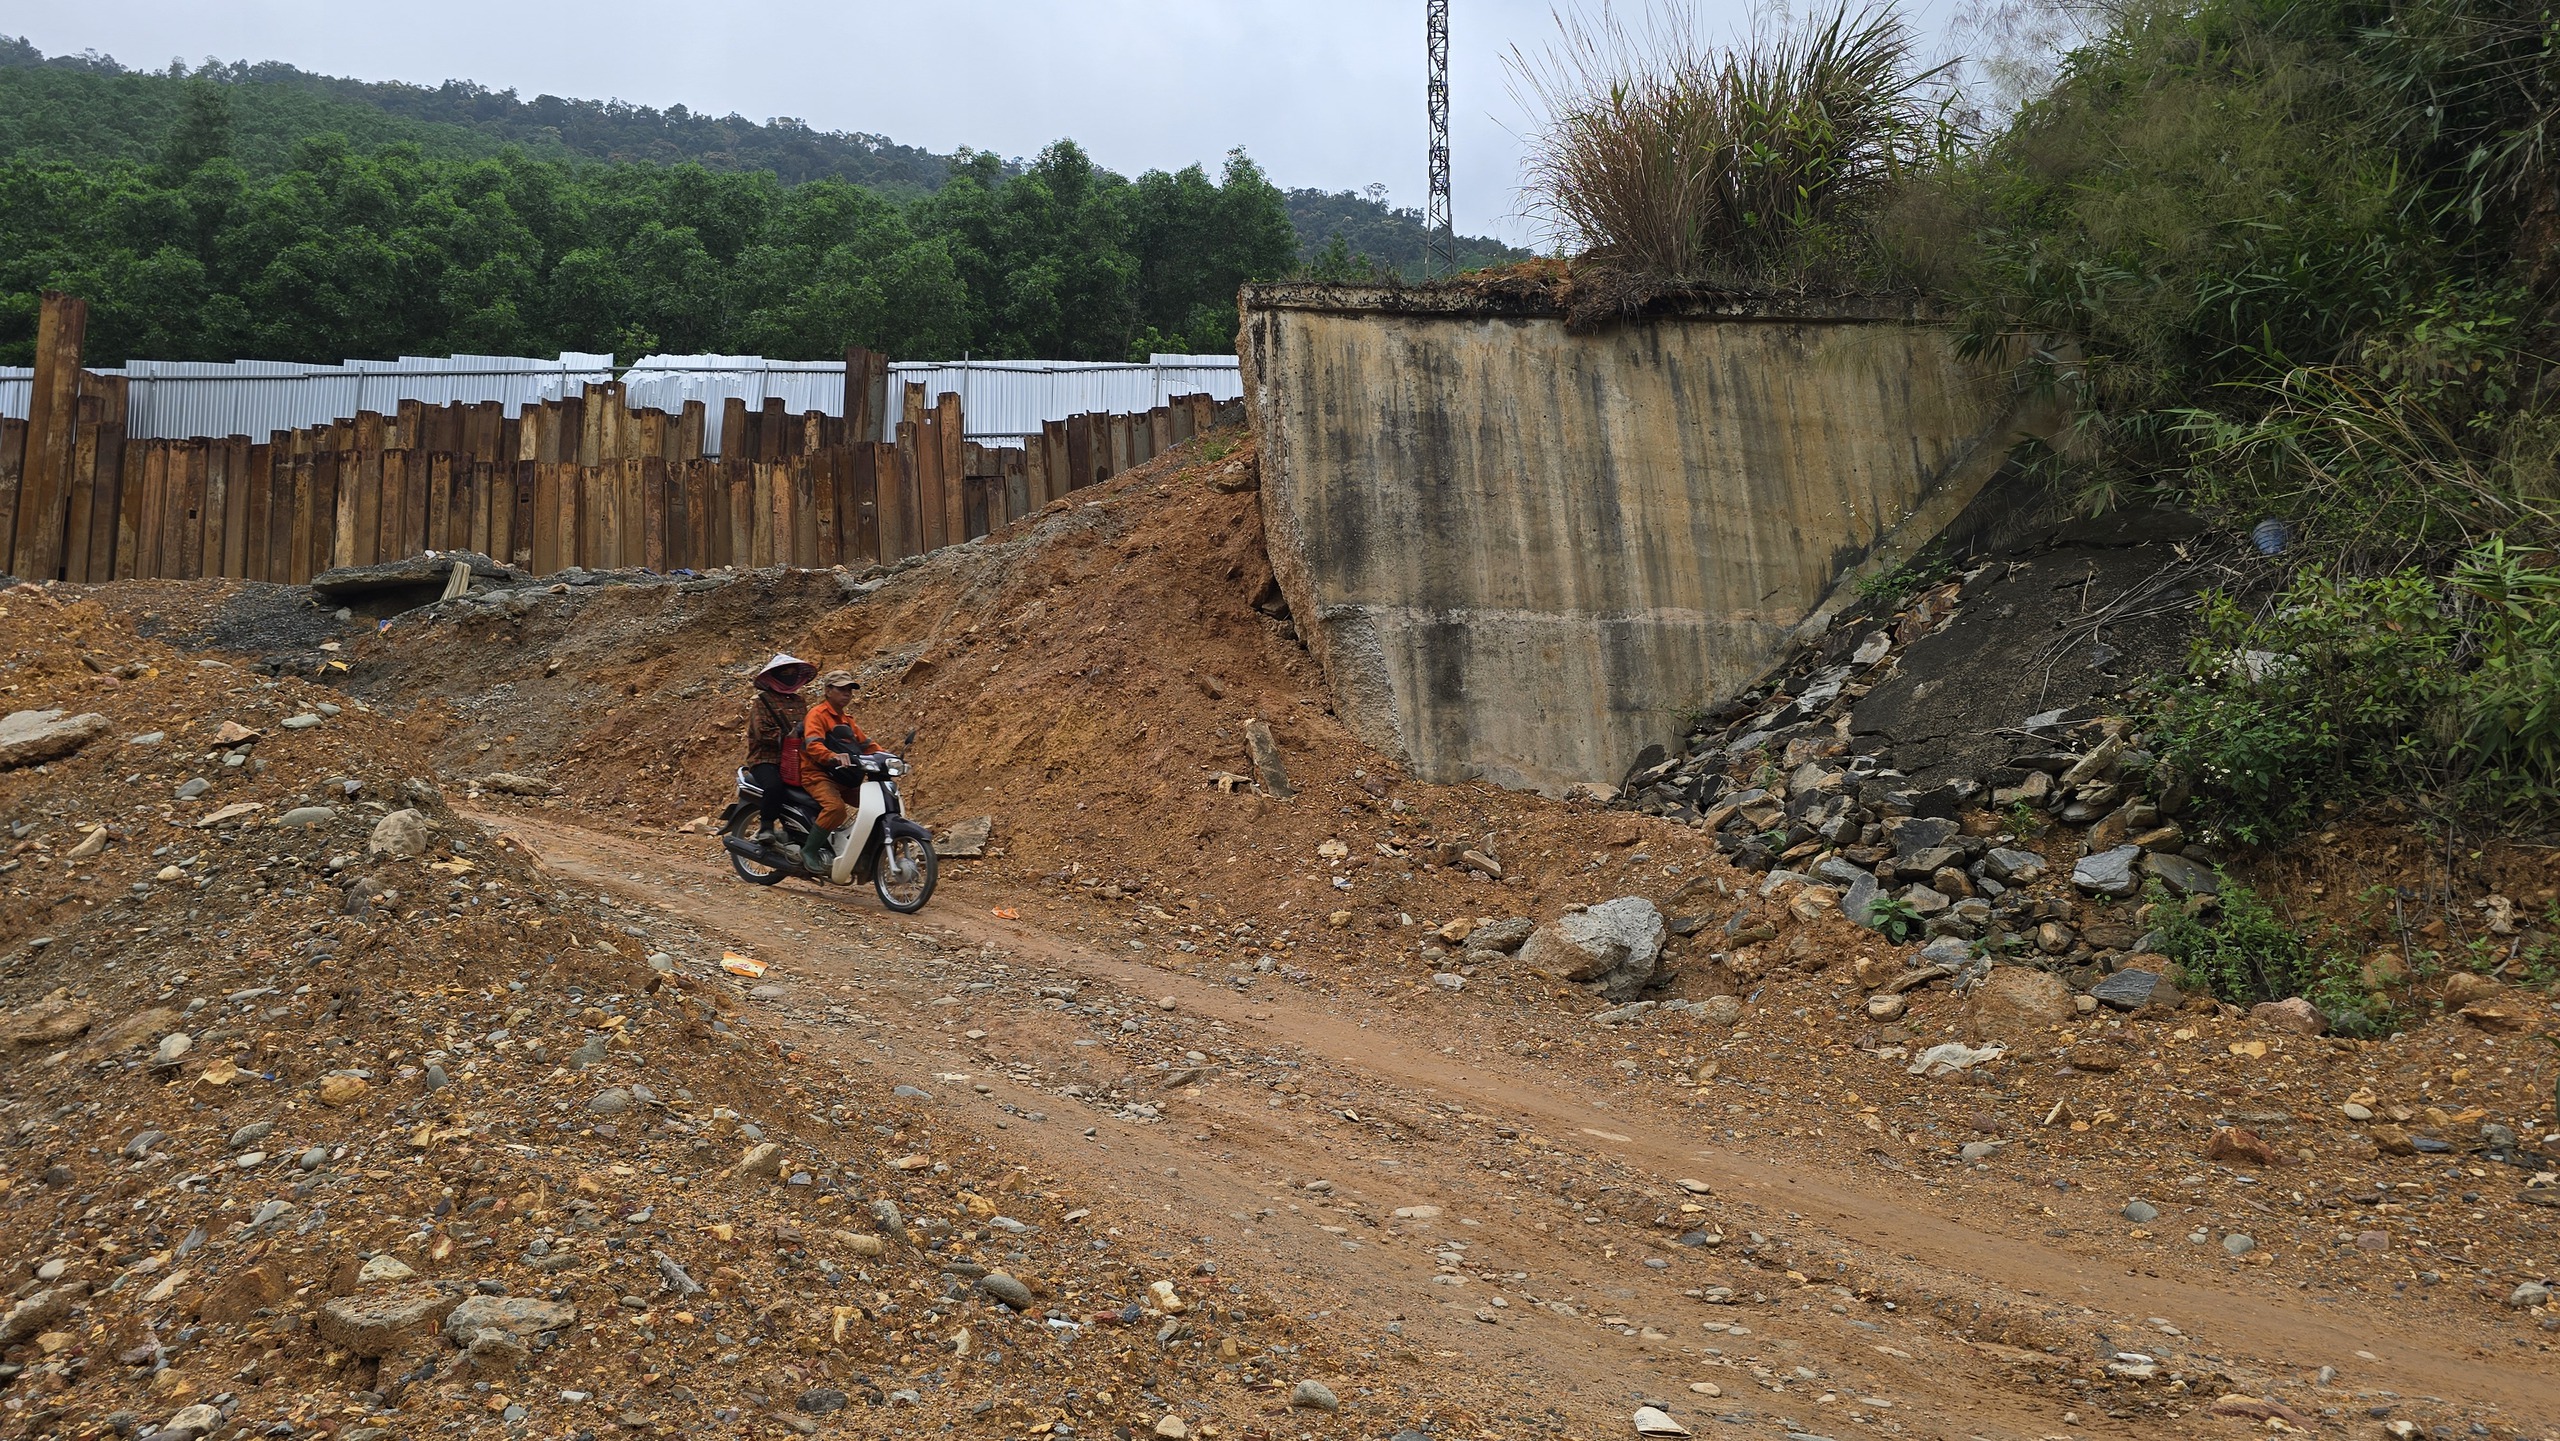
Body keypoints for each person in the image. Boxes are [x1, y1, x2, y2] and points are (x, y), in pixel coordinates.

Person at [799, 669, 879, 871]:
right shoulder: (817, 715)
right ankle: (809, 851)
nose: (847, 694)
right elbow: (813, 745)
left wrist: (888, 758)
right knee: (836, 809)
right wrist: (832, 756)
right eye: (842, 689)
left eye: (850, 690)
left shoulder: (846, 720)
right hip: (818, 774)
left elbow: (867, 745)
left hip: (844, 778)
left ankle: (860, 851)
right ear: (828, 690)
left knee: (876, 805)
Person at [742, 653, 816, 845]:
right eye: (785, 672)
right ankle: (766, 827)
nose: (790, 675)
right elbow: (761, 732)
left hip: (795, 759)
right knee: (774, 786)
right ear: (775, 676)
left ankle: (798, 830)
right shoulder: (762, 701)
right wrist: (786, 736)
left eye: (793, 672)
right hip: (766, 759)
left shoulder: (799, 701)